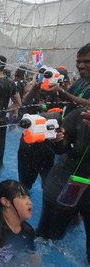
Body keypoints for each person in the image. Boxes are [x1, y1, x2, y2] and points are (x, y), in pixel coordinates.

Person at [37, 107, 90, 263]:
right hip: (65, 182)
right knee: (47, 237)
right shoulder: (79, 115)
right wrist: (57, 139)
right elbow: (61, 148)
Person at [41, 43, 90, 117]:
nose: (80, 66)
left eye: (87, 62)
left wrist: (63, 92)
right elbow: (65, 99)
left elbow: (88, 104)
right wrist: (55, 91)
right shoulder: (80, 81)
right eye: (78, 62)